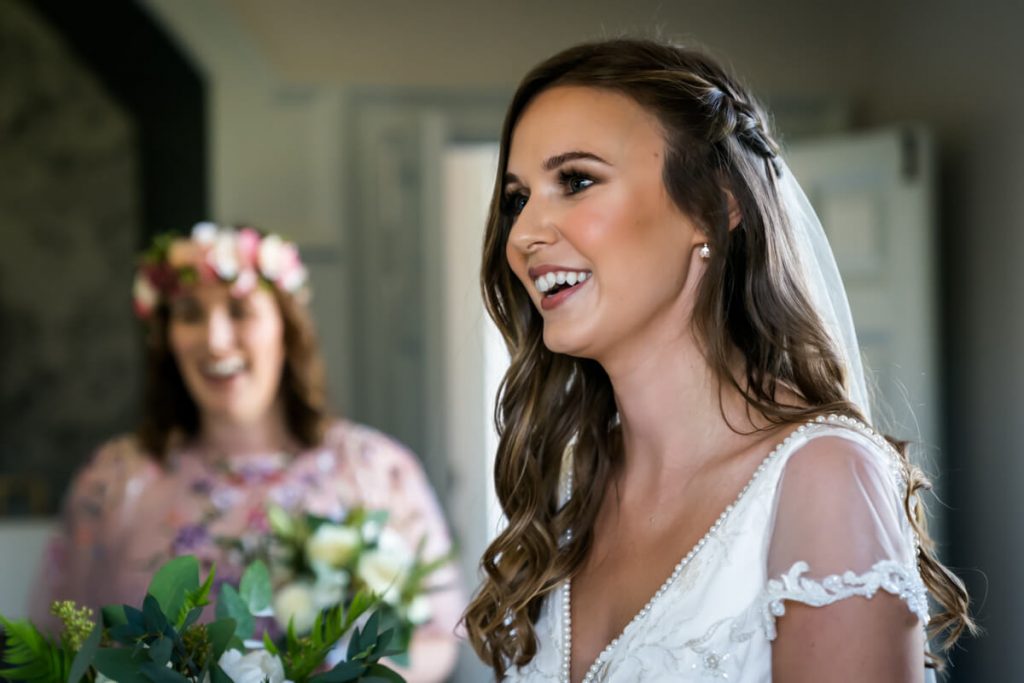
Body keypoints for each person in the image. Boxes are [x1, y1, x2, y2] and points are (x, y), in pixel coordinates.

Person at [464, 39, 975, 682]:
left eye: (576, 181)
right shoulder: (571, 488)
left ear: (713, 206)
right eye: (517, 198)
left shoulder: (820, 478)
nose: (523, 235)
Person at [32, 222, 461, 683]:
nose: (215, 339)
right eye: (190, 314)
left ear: (287, 328)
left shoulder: (376, 469)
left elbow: (438, 636)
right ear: (167, 337)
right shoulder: (113, 481)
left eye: (240, 311)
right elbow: (56, 646)